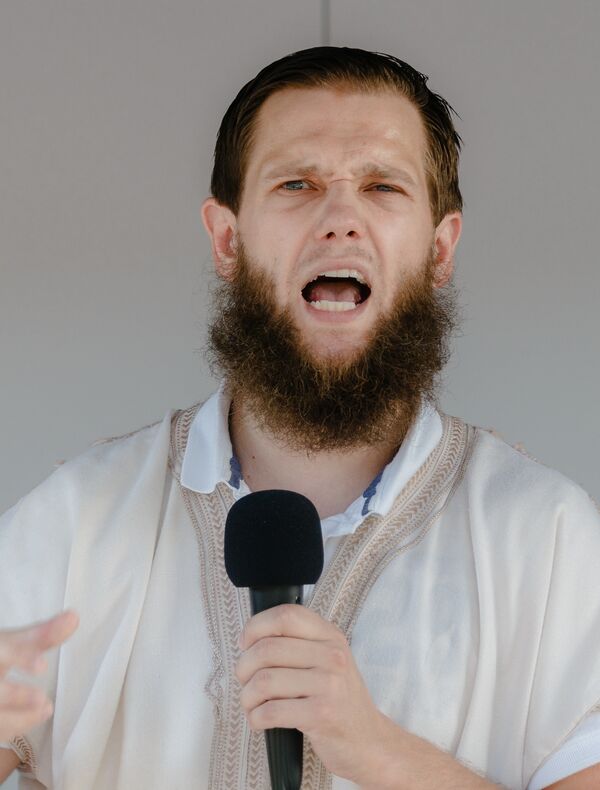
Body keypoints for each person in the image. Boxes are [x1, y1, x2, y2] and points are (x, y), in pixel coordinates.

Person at [1, 46, 599, 790]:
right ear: (228, 239)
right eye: (296, 183)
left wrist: (377, 750)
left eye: (383, 186)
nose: (341, 219)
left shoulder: (549, 539)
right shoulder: (72, 523)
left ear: (440, 250)